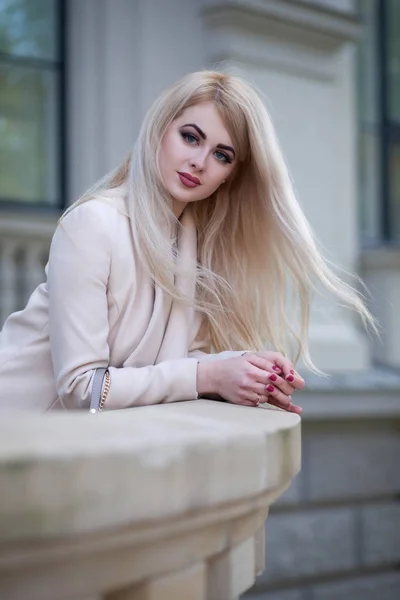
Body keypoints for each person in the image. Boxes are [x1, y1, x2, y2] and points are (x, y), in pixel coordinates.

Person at [0, 70, 375, 413]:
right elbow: (84, 388)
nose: (199, 161)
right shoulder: (91, 224)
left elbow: (175, 359)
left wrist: (247, 367)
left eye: (221, 155)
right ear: (160, 129)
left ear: (229, 175)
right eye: (190, 137)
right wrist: (208, 376)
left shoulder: (192, 245)